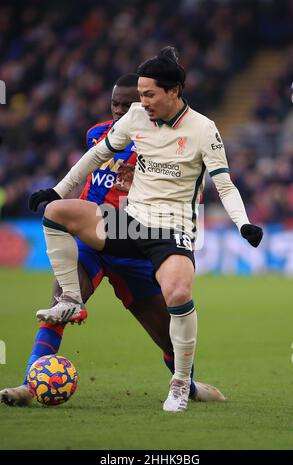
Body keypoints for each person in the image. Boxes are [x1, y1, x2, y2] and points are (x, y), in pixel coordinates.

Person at [27, 47, 263, 412]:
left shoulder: (203, 129)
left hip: (172, 229)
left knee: (178, 294)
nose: (142, 102)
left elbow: (225, 184)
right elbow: (97, 155)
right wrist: (56, 190)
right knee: (57, 213)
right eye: (140, 94)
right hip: (129, 222)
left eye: (149, 94)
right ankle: (71, 300)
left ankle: (181, 384)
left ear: (173, 91)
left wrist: (243, 223)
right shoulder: (136, 117)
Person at [0, 73, 224, 407]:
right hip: (96, 242)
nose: (118, 110)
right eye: (114, 103)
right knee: (62, 303)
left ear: (147, 102)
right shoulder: (98, 134)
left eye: (127, 103)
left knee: (168, 337)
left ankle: (187, 385)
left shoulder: (164, 141)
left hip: (136, 245)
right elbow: (90, 174)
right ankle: (30, 384)